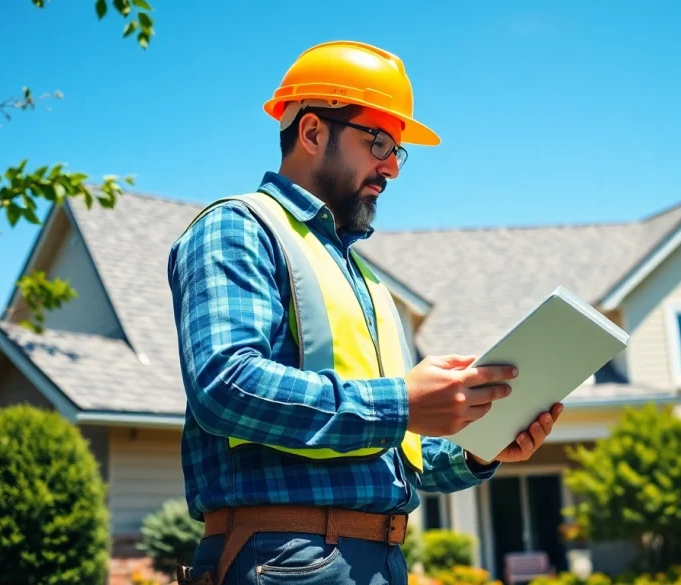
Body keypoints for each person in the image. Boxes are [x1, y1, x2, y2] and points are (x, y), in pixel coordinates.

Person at [167, 40, 563, 585]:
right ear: (311, 133)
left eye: (398, 150)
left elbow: (399, 454)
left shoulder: (365, 279)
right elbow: (225, 386)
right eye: (379, 140)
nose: (392, 168)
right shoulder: (239, 227)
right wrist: (402, 402)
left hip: (376, 559)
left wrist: (480, 447)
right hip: (287, 558)